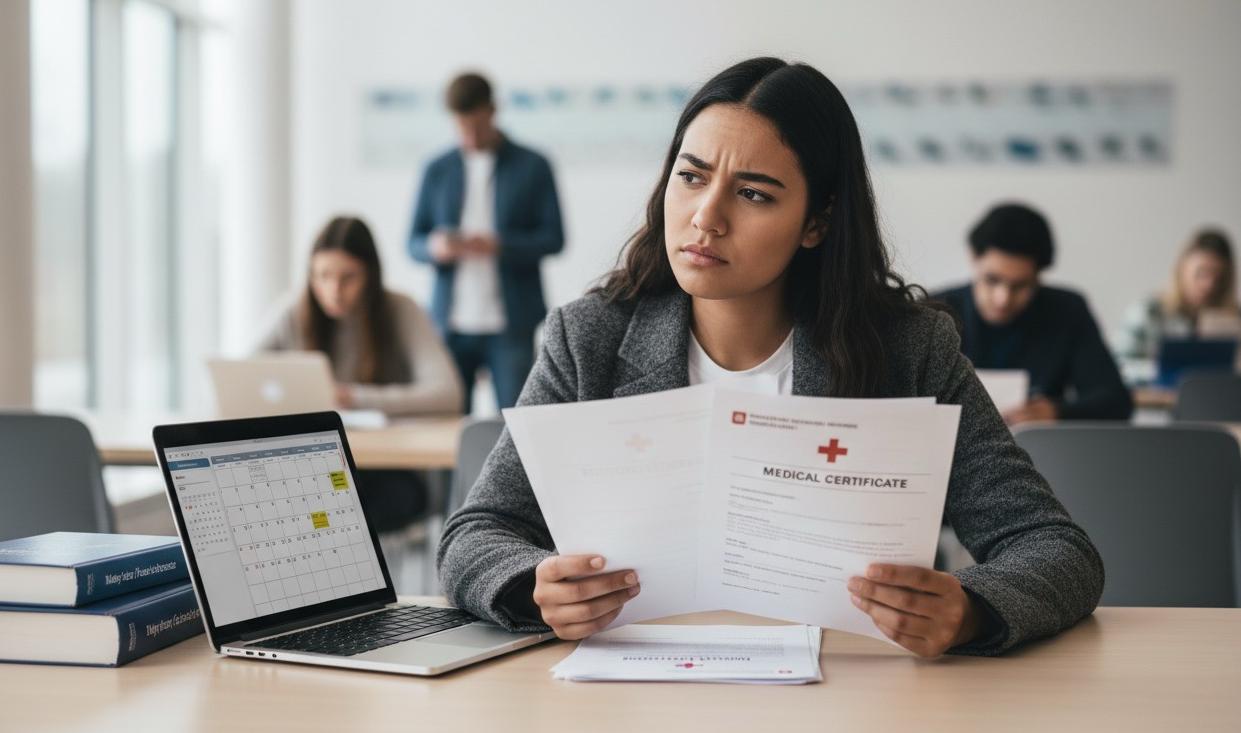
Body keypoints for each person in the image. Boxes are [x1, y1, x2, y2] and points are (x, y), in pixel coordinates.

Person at [437, 58, 1103, 658]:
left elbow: (1057, 550)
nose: (706, 217)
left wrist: (970, 611)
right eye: (691, 177)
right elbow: (477, 534)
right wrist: (533, 587)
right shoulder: (587, 341)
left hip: (850, 700)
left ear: (817, 221)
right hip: (633, 699)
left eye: (753, 193)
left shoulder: (907, 350)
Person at [260, 216, 463, 529]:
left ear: (371, 275)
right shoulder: (294, 311)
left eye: (348, 278)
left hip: (385, 470)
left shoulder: (400, 310)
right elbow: (240, 376)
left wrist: (352, 397)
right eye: (322, 276)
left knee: (330, 511)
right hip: (311, 464)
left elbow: (448, 393)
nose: (333, 290)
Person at [408, 72, 565, 413]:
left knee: (516, 426)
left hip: (511, 324)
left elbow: (554, 238)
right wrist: (436, 248)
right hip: (449, 324)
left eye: (477, 125)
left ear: (493, 110)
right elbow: (413, 242)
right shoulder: (436, 168)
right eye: (461, 127)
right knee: (446, 429)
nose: (470, 136)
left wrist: (500, 245)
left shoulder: (533, 164)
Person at [932, 204, 1133, 424]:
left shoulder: (1067, 311)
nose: (1003, 298)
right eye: (992, 280)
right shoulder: (935, 311)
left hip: (1038, 450)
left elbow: (1115, 400)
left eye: (1020, 285)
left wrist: (1057, 412)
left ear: (1039, 276)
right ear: (973, 258)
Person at [1118, 228, 1240, 359]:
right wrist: (1158, 369)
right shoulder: (1147, 312)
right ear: (1181, 269)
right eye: (1201, 273)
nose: (1209, 284)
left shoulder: (1235, 318)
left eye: (1219, 278)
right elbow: (1118, 365)